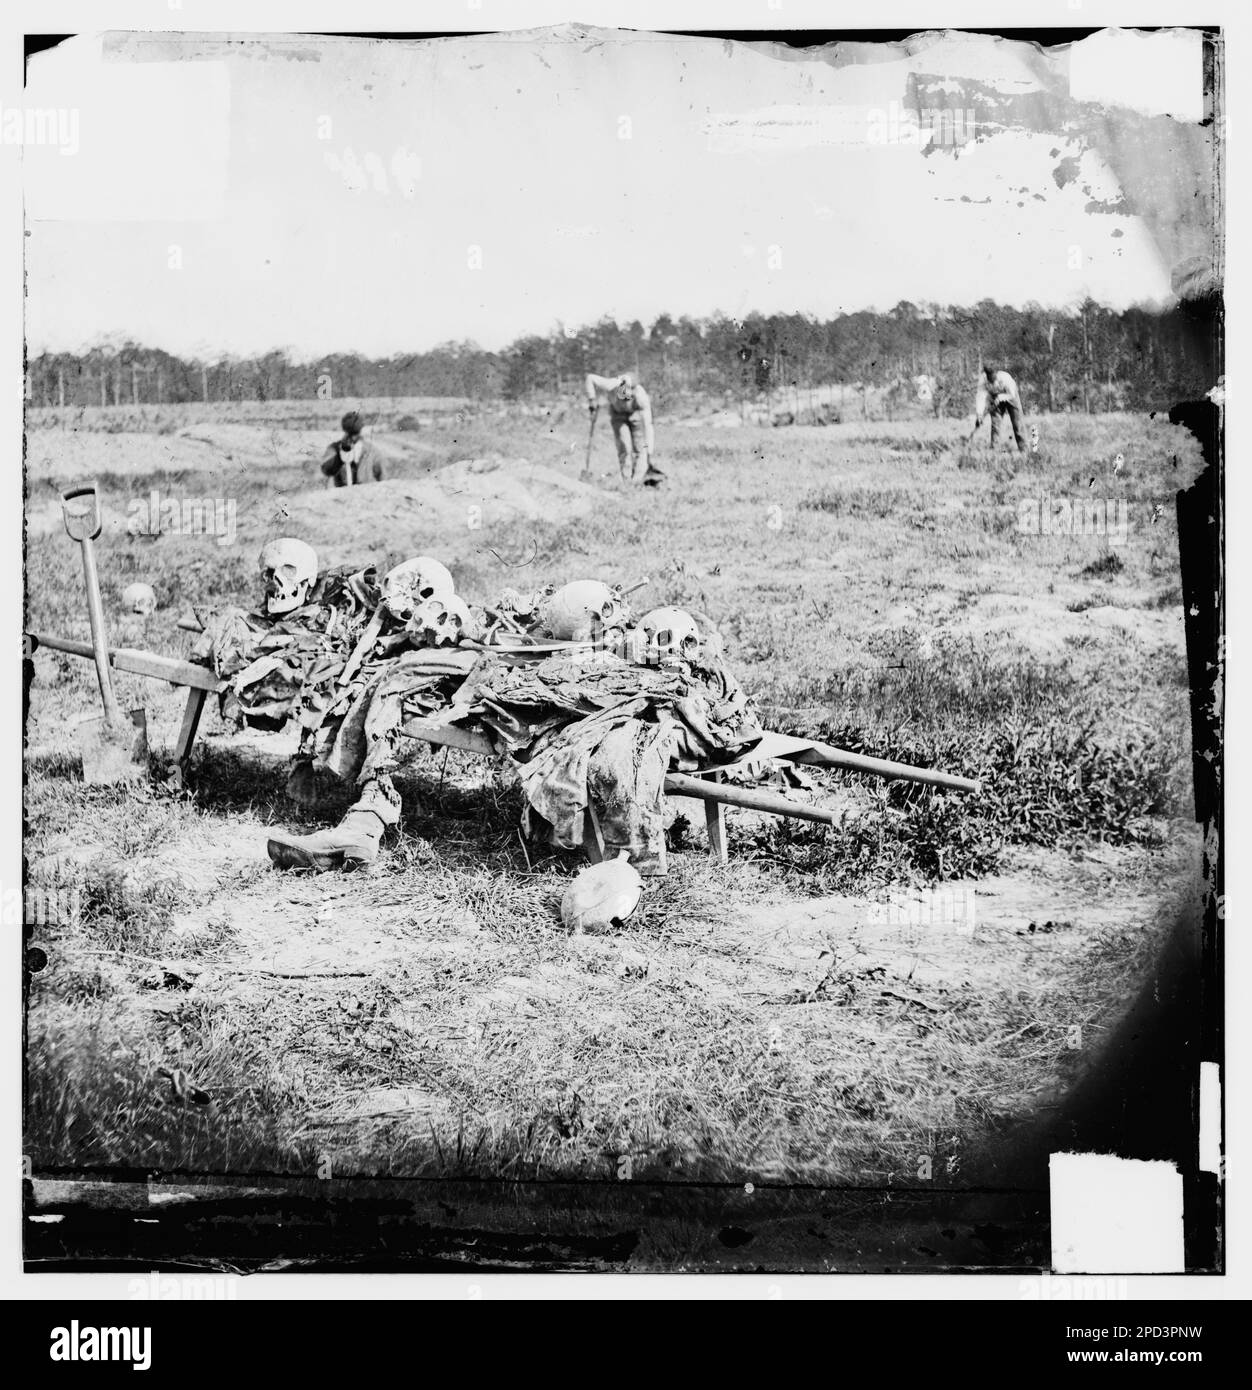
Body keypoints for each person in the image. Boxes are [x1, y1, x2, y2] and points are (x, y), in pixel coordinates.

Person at [584, 372, 663, 486]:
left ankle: (637, 481)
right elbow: (590, 378)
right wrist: (592, 399)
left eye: (627, 398)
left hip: (635, 415)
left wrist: (649, 452)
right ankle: (626, 481)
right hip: (617, 415)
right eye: (622, 396)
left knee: (639, 448)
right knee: (624, 447)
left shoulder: (641, 397)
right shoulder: (611, 384)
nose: (624, 400)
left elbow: (648, 426)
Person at [320, 410, 385, 486]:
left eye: (354, 434)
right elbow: (326, 470)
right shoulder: (335, 448)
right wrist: (340, 456)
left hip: (366, 494)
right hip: (343, 494)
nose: (353, 438)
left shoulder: (371, 450)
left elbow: (382, 477)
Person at [972, 365, 1027, 453]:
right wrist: (979, 415)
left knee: (1017, 424)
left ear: (996, 374)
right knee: (995, 424)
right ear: (986, 376)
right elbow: (980, 398)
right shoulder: (982, 381)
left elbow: (1012, 394)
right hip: (994, 397)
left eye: (993, 378)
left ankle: (1024, 449)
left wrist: (1001, 397)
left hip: (1010, 396)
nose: (992, 380)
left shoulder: (1005, 378)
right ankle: (994, 451)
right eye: (990, 379)